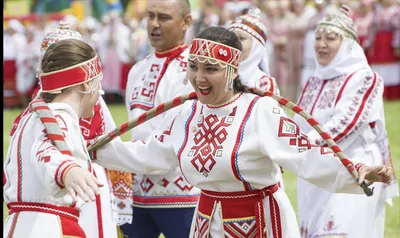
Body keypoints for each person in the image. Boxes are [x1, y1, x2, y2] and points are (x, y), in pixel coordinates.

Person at [90, 26, 394, 238]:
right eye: (193, 67)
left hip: (261, 222)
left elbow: (304, 154)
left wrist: (358, 170)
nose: (198, 78)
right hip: (207, 222)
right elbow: (151, 154)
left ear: (233, 70)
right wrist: (96, 150)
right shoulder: (188, 112)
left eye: (210, 69)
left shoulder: (259, 110)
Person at [294, 5, 399, 238]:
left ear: (348, 45)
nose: (321, 44)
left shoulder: (365, 78)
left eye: (330, 38)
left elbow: (347, 124)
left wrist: (297, 147)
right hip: (316, 167)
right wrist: (285, 144)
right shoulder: (314, 80)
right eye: (318, 38)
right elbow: (298, 119)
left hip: (356, 167)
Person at [8, 21, 119, 238]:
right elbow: (45, 150)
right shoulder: (58, 115)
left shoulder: (32, 113)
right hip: (47, 227)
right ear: (87, 84)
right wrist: (67, 170)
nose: (100, 93)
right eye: (99, 83)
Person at [120, 0, 199, 237]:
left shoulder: (196, 71)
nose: (154, 25)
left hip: (182, 195)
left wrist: (117, 155)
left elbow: (177, 135)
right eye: (150, 16)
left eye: (164, 18)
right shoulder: (138, 70)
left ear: (186, 22)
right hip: (136, 195)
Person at [228, 8, 280, 95]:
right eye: (232, 37)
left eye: (241, 38)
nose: (234, 42)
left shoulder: (264, 84)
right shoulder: (218, 74)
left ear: (256, 48)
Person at [367, 0, 400, 100]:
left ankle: (392, 93)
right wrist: (370, 44)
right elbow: (372, 29)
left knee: (391, 65)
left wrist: (397, 44)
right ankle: (381, 91)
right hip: (379, 42)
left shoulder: (396, 11)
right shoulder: (378, 11)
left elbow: (398, 29)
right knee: (379, 66)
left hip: (390, 41)